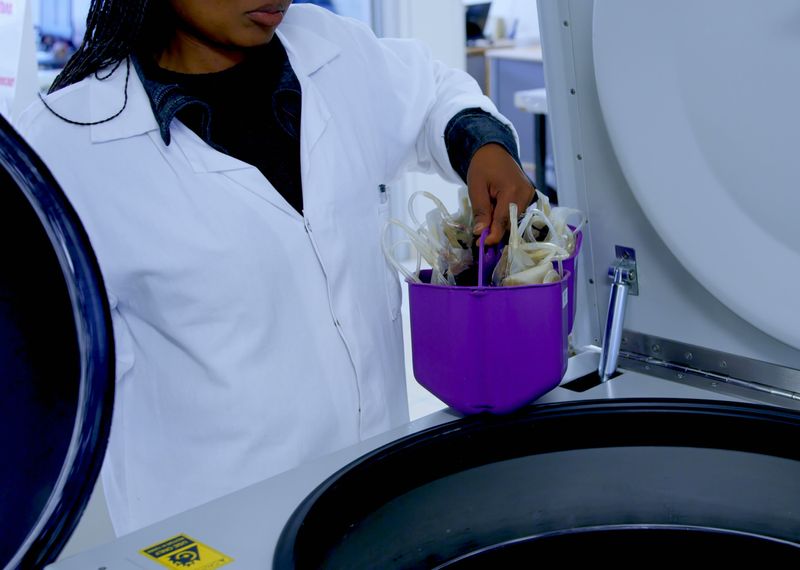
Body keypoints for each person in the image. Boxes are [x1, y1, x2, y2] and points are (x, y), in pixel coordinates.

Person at [16, 0, 535, 535]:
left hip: (376, 511)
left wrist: (482, 146)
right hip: (217, 541)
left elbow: (431, 94)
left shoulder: (331, 51)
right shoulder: (63, 152)